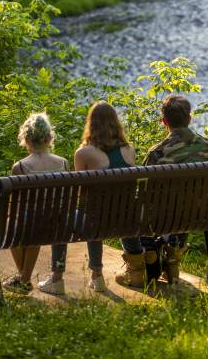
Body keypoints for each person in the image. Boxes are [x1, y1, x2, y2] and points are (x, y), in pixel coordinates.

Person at [38, 100, 141, 295]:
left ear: (91, 124)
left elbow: (81, 194)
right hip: (125, 221)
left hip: (96, 222)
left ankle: (58, 279)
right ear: (115, 123)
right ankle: (96, 277)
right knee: (95, 213)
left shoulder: (84, 153)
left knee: (63, 219)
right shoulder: (129, 149)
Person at [115, 94, 208, 287]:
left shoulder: (157, 152)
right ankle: (172, 263)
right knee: (187, 202)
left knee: (123, 208)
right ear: (190, 118)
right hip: (199, 215)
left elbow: (142, 190)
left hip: (160, 219)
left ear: (164, 121)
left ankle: (138, 269)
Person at [3, 111, 70, 295]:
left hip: (32, 227)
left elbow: (15, 206)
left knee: (11, 227)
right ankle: (23, 279)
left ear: (26, 139)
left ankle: (24, 279)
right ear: (49, 137)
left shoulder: (20, 167)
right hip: (59, 225)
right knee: (31, 224)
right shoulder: (63, 163)